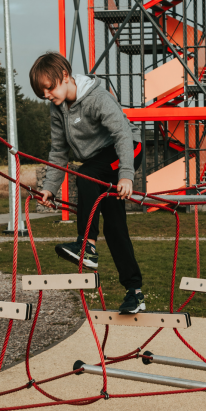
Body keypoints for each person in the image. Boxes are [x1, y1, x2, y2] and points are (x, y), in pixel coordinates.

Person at [29, 51, 145, 315]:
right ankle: (135, 293)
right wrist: (49, 187)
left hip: (125, 149)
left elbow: (123, 134)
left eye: (49, 88)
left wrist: (126, 174)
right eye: (42, 93)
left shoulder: (96, 98)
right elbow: (59, 151)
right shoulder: (57, 108)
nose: (47, 95)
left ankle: (87, 246)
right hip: (98, 161)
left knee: (86, 177)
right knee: (115, 226)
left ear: (66, 77)